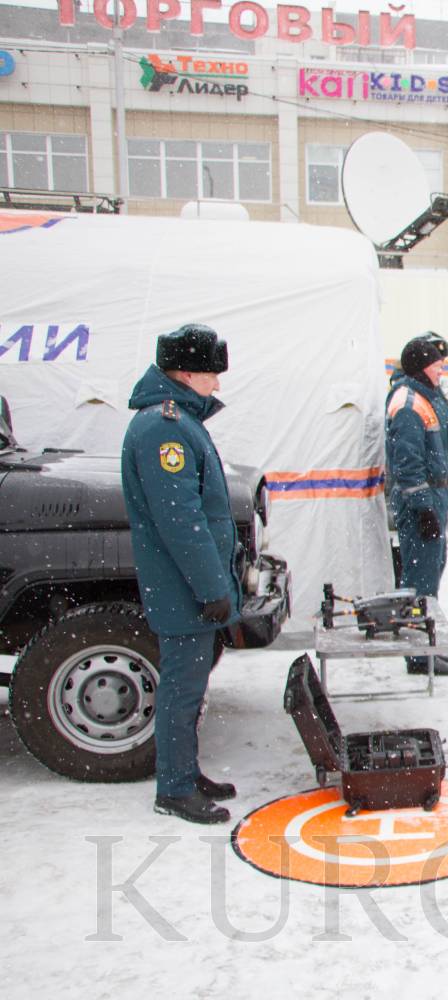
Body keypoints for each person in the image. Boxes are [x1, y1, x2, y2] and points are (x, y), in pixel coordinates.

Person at [120, 324, 239, 824]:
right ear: (186, 373)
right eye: (211, 373)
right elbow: (181, 521)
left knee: (191, 686)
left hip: (187, 584)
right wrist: (212, 588)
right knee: (181, 688)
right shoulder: (164, 427)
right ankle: (173, 788)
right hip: (183, 586)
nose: (217, 383)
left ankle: (184, 771)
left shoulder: (177, 419)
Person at [386, 331, 448, 674]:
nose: (441, 369)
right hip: (421, 502)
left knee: (432, 568)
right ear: (421, 367)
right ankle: (418, 654)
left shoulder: (429, 396)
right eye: (436, 365)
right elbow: (408, 464)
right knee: (420, 577)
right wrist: (423, 506)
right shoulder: (409, 404)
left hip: (433, 496)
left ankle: (427, 632)